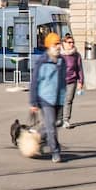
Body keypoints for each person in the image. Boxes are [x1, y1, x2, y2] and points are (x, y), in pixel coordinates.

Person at [29, 32, 67, 163]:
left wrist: (63, 98)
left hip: (58, 98)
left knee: (54, 124)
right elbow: (34, 82)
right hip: (45, 98)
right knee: (51, 127)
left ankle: (38, 137)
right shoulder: (42, 61)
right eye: (55, 44)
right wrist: (33, 102)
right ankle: (56, 152)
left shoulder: (62, 61)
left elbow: (63, 81)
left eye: (59, 44)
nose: (58, 46)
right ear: (49, 46)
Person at [60, 34, 84, 129]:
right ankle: (59, 119)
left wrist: (81, 81)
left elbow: (79, 69)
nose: (71, 44)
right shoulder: (59, 54)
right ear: (64, 43)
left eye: (73, 42)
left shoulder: (76, 55)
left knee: (68, 100)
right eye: (69, 42)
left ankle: (66, 120)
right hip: (60, 81)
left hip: (72, 80)